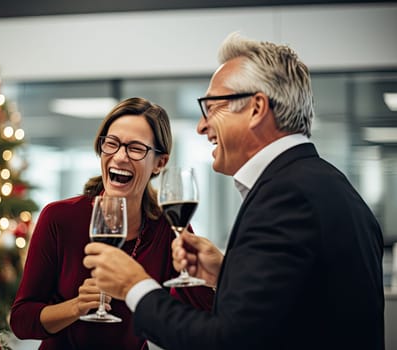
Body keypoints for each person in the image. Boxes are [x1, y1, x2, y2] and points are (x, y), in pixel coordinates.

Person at [83, 32, 385, 350]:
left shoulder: (286, 198)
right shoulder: (328, 185)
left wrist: (134, 286)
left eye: (212, 107)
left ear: (256, 108)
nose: (202, 126)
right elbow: (297, 313)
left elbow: (226, 340)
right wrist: (226, 273)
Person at [9, 97, 213, 350]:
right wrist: (76, 307)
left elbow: (201, 319)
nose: (119, 157)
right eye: (111, 144)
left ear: (160, 163)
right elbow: (21, 321)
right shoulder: (59, 218)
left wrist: (214, 274)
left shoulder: (167, 228)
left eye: (136, 148)